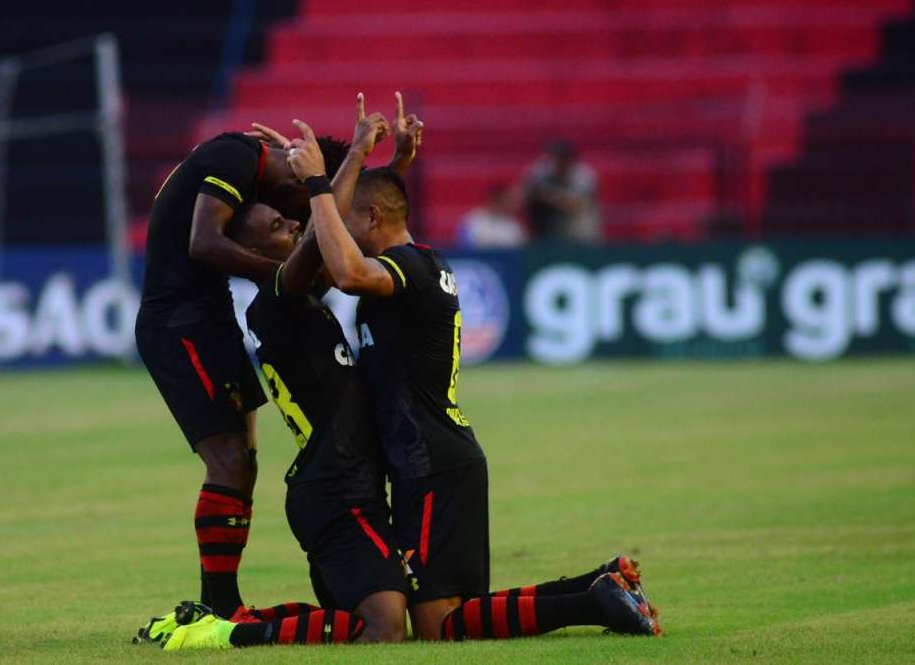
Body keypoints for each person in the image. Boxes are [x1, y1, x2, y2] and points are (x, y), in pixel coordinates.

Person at [301, 122, 661, 640]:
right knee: (452, 614)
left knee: (438, 626)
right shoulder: (417, 261)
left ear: (373, 218)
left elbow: (348, 274)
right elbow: (366, 222)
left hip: (430, 464)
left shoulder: (406, 266)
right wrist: (391, 163)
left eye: (348, 220)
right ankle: (599, 586)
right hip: (440, 459)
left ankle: (593, 602)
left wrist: (317, 186)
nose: (339, 233)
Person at [134, 126, 349, 622]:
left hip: (210, 315)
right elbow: (203, 244)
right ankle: (219, 605)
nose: (294, 219)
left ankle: (221, 601)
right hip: (178, 322)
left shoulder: (248, 171)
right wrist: (275, 277)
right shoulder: (233, 155)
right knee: (229, 461)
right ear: (294, 178)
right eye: (298, 206)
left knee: (244, 461)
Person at [524, 140, 601, 243]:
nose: (557, 162)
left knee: (585, 219)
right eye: (554, 158)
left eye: (562, 158)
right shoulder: (541, 170)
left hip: (577, 222)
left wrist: (548, 195)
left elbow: (576, 206)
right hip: (550, 220)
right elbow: (526, 191)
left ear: (570, 160)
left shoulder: (584, 175)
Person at [456, 183, 527, 248]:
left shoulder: (514, 225)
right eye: (499, 201)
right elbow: (465, 246)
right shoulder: (472, 220)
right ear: (491, 201)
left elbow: (519, 248)